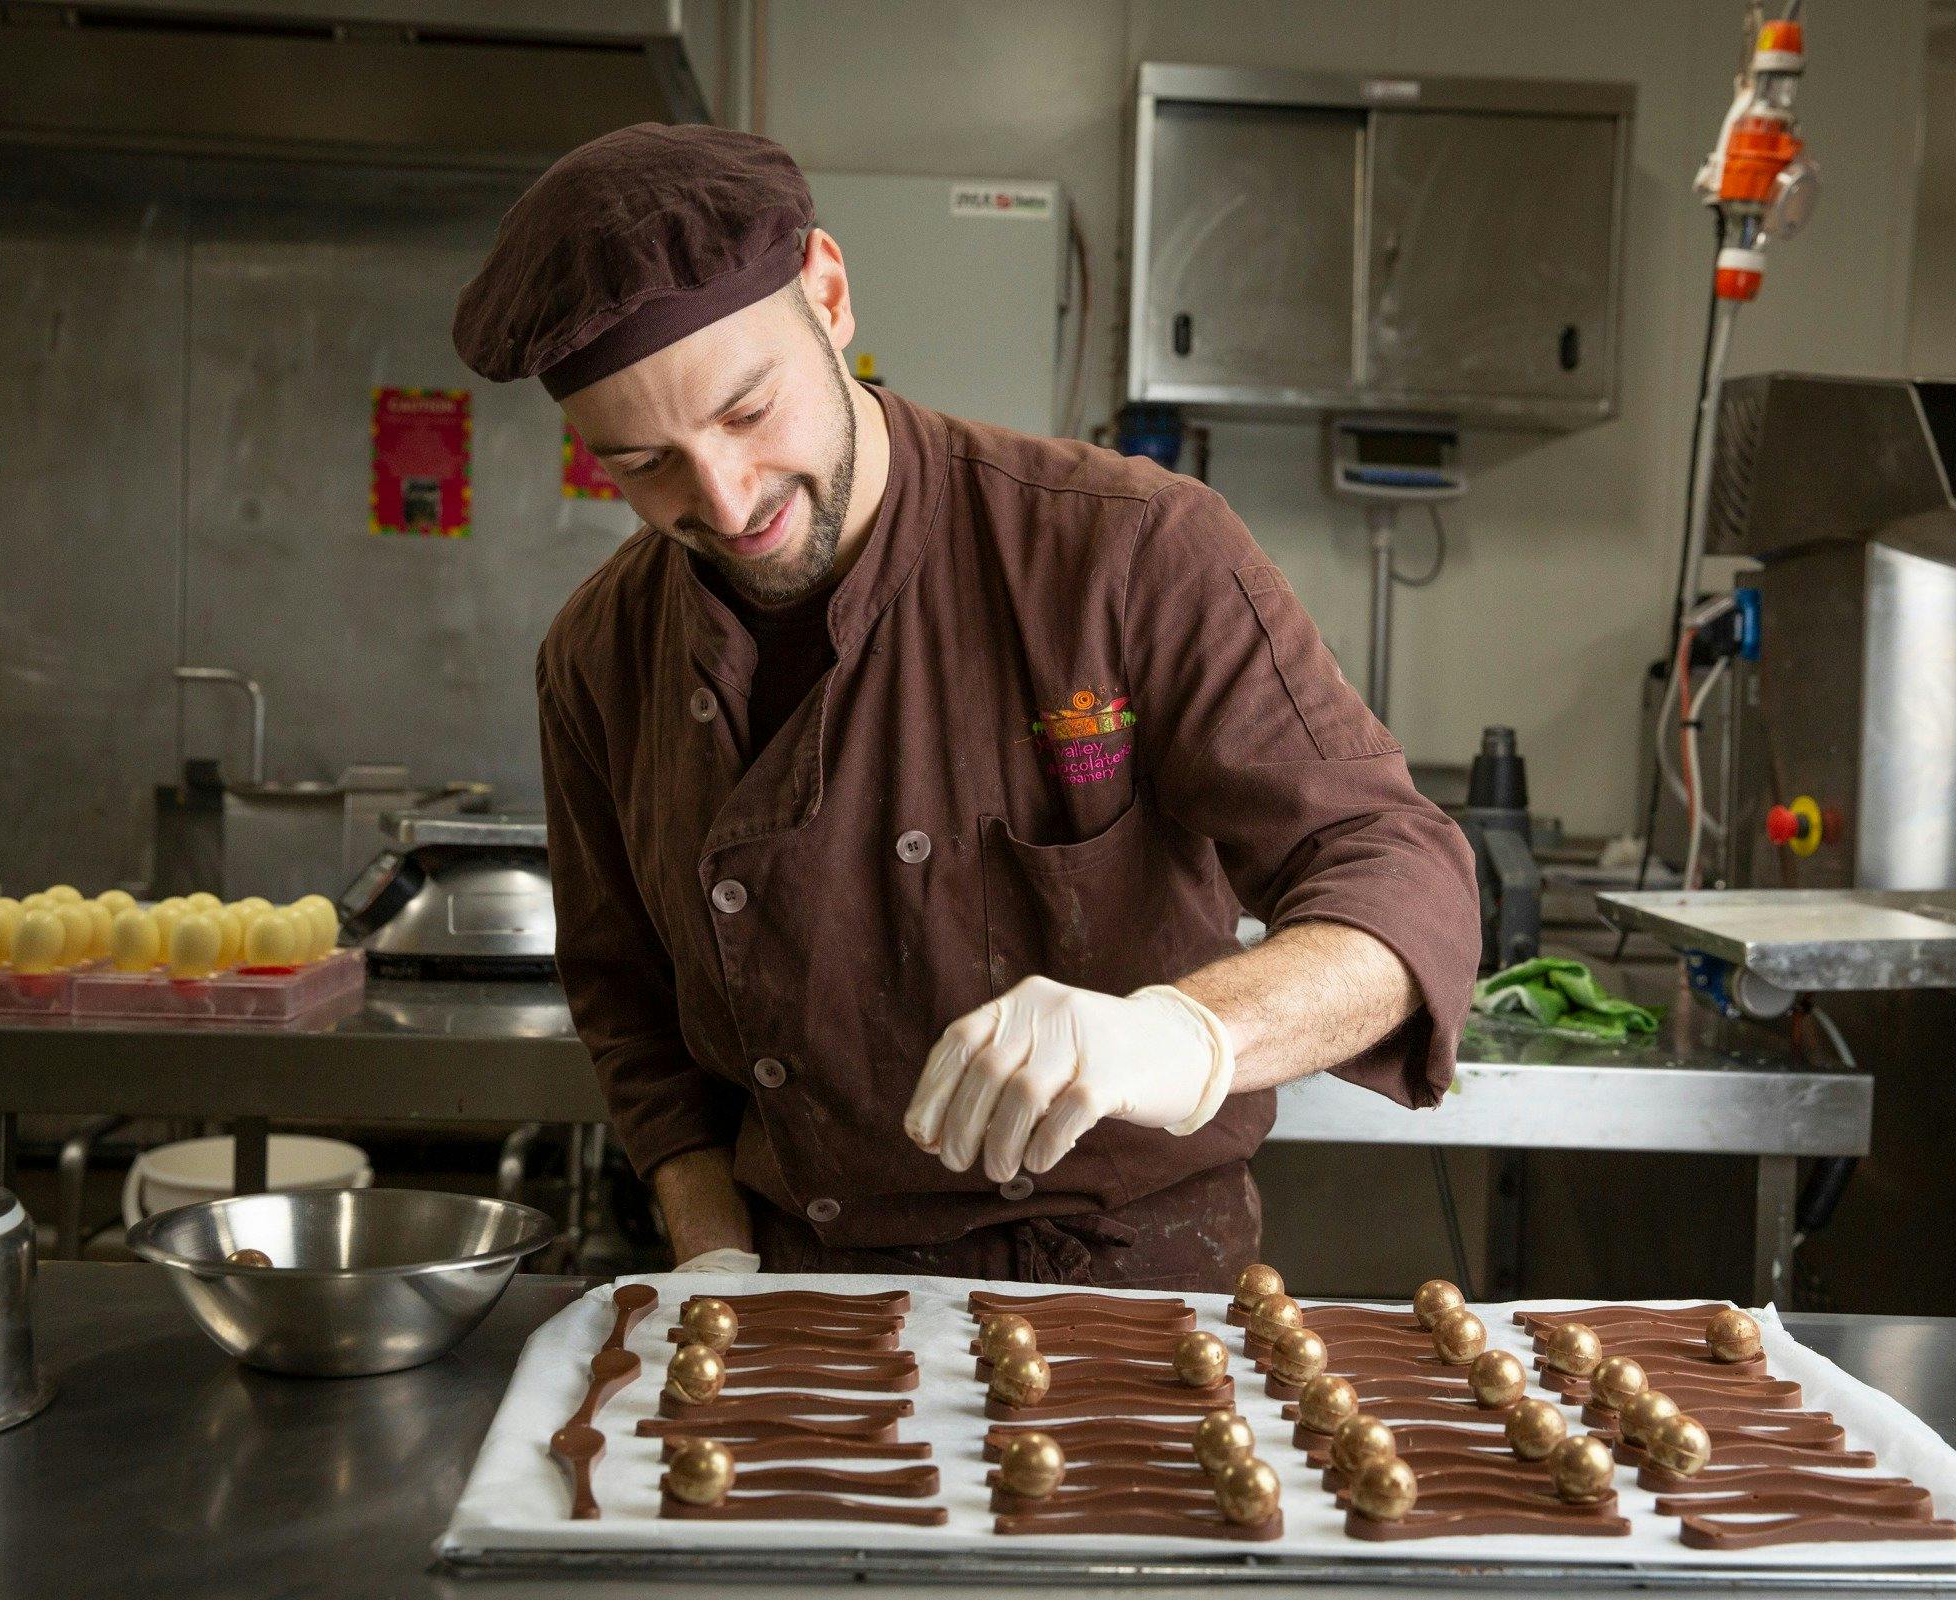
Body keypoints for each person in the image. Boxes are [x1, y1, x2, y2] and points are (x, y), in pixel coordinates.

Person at [454, 124, 1480, 1291]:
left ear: (828, 294)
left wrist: (1178, 1036)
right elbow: (627, 1005)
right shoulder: (598, 657)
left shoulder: (1126, 551)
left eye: (747, 412)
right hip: (799, 1289)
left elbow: (1403, 876)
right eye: (645, 465)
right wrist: (714, 1253)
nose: (727, 501)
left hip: (1124, 1294)